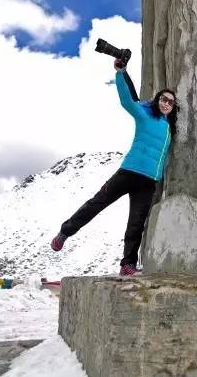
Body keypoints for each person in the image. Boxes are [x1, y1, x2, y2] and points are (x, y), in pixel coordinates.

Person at [50, 59, 177, 276]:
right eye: (163, 99)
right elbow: (127, 100)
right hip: (128, 173)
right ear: (157, 100)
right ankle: (65, 231)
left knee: (136, 224)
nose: (166, 103)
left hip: (148, 182)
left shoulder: (169, 128)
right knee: (97, 203)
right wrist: (120, 73)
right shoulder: (144, 115)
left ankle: (127, 265)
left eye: (171, 102)